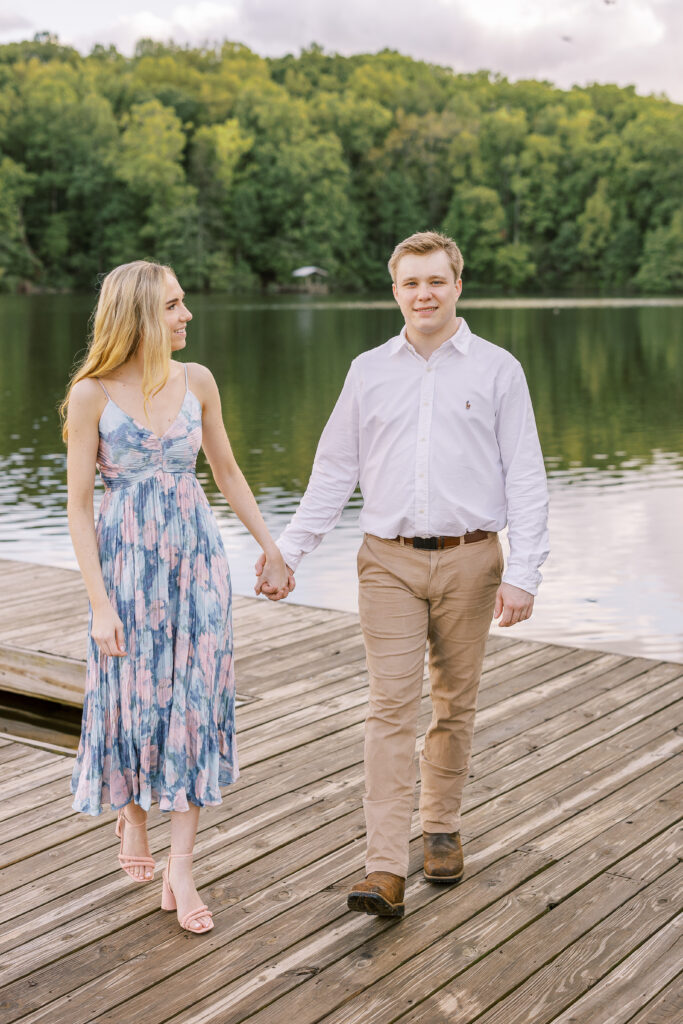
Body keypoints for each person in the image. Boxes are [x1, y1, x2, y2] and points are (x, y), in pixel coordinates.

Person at [256, 231, 549, 919]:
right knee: (389, 707)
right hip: (384, 559)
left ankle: (440, 826)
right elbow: (333, 471)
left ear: (456, 286)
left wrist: (526, 573)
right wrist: (289, 552)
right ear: (394, 290)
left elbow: (527, 479)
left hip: (473, 560)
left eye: (435, 281)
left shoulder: (498, 370)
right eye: (410, 282)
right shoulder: (367, 371)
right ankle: (384, 866)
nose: (423, 293)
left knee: (453, 702)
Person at [62, 260, 291, 934]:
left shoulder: (198, 382)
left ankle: (183, 866)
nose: (186, 314)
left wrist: (269, 546)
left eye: (183, 303)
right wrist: (100, 603)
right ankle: (131, 813)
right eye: (172, 305)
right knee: (130, 700)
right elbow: (77, 508)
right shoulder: (90, 394)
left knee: (193, 703)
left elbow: (225, 470)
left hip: (195, 567)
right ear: (137, 316)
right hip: (127, 570)